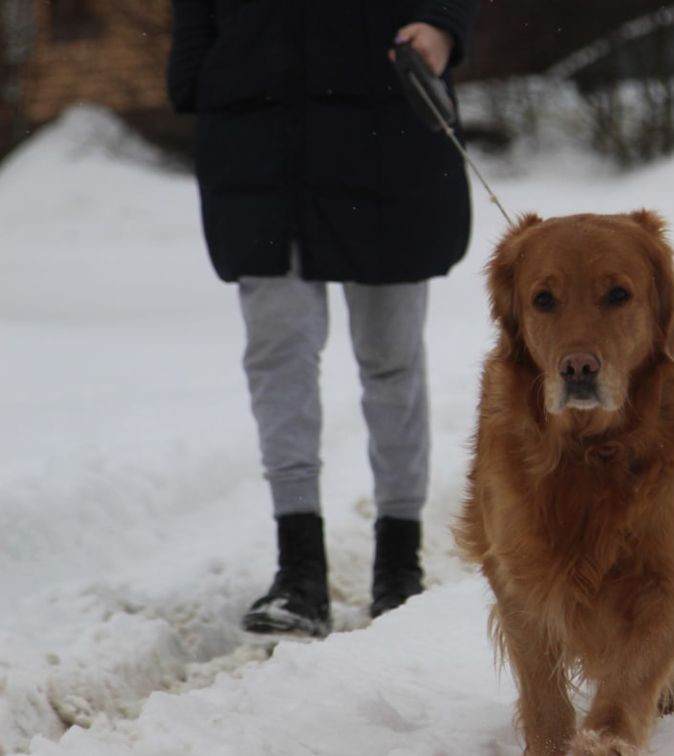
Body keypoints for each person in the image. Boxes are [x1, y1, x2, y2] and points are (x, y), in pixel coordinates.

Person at [167, 0, 478, 637]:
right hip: (259, 148)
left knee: (391, 359)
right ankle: (298, 572)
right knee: (279, 353)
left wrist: (443, 26)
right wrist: (206, 63)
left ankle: (399, 567)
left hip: (383, 137)